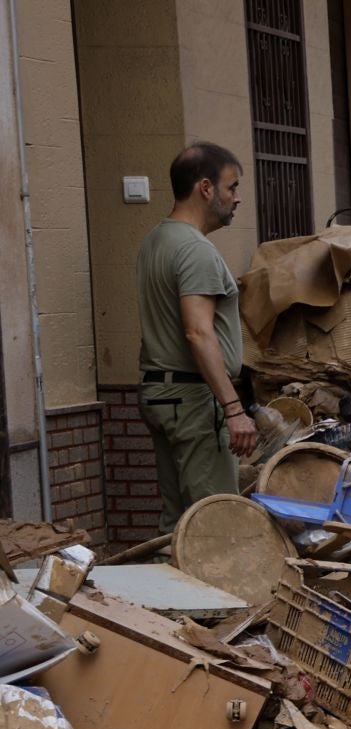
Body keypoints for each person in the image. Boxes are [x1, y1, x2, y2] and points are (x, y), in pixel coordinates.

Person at [136, 142, 256, 536]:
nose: (237, 199)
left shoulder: (157, 240)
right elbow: (198, 331)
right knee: (214, 524)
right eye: (231, 187)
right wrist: (234, 408)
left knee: (177, 524)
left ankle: (170, 596)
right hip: (191, 400)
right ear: (205, 188)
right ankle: (217, 599)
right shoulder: (194, 250)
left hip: (161, 394)